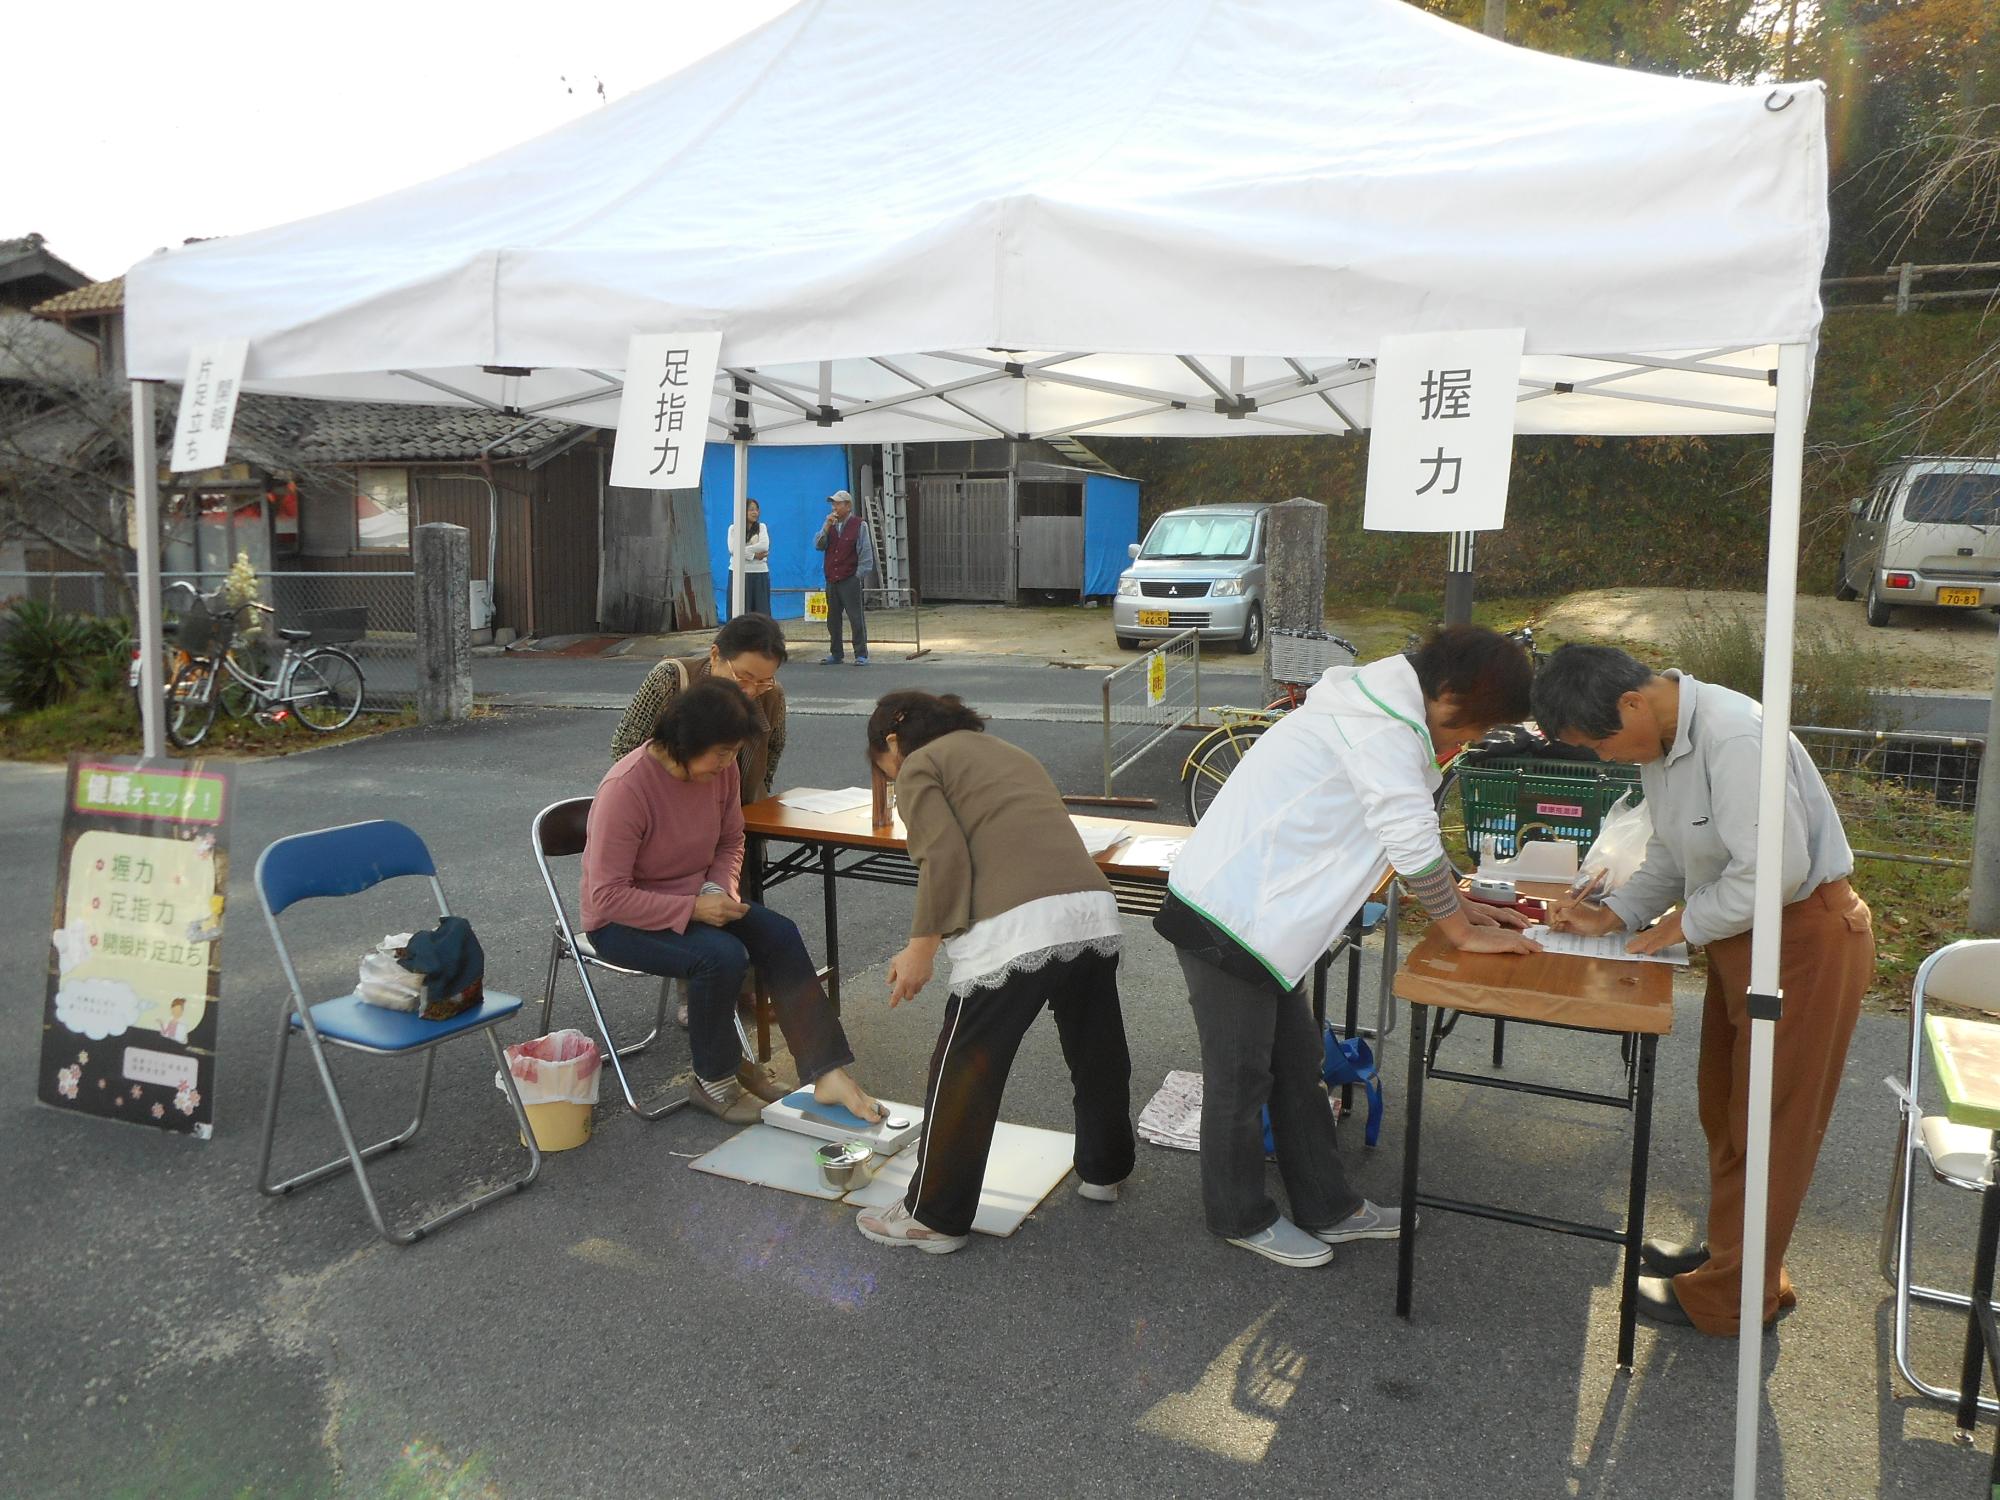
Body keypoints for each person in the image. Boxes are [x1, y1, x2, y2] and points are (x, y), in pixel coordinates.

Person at [1155, 626, 1542, 1269]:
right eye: (1471, 728)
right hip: (1227, 919)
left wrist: (1466, 904)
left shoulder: (1379, 707)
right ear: (1448, 695)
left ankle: (1328, 1206)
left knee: (1299, 1065)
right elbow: (1411, 838)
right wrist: (1461, 928)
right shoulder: (1381, 726)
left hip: (1269, 921)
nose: (1466, 742)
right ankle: (1238, 1215)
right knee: (1241, 1078)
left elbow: (1399, 836)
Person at [1532, 644, 1873, 1335]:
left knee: (1771, 1124)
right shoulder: (1661, 742)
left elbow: (1775, 871)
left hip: (1802, 937)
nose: (1605, 759)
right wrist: (1619, 915)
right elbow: (1669, 851)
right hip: (1743, 936)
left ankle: (1733, 1299)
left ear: (1632, 703)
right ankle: (1734, 1259)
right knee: (1727, 1106)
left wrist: (1680, 926)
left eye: (1600, 743)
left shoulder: (1734, 734)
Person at [855, 691, 1136, 1254]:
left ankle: (933, 1215)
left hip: (1017, 929)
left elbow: (944, 858)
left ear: (892, 741)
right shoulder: (1006, 750)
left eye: (879, 764)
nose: (886, 775)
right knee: (1095, 1046)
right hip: (1090, 909)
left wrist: (920, 951)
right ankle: (1106, 1169)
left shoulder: (918, 765)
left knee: (964, 1068)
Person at [582, 678, 882, 1125]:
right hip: (621, 922)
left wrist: (716, 889)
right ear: (684, 741)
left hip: (696, 900)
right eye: (720, 752)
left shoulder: (721, 772)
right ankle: (714, 1080)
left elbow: (730, 840)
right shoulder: (627, 789)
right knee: (720, 957)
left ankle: (826, 1071)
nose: (727, 763)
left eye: (731, 753)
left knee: (778, 933)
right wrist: (692, 909)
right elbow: (606, 895)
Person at [813, 489, 873, 665]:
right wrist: (826, 527)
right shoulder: (830, 525)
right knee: (833, 619)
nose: (834, 507)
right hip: (832, 578)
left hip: (849, 578)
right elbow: (818, 545)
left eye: (838, 504)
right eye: (833, 504)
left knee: (855, 617)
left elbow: (865, 553)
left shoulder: (859, 525)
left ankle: (861, 653)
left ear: (848, 506)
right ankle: (836, 653)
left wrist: (858, 575)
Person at [725, 498, 772, 619]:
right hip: (738, 573)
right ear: (742, 511)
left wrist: (742, 551)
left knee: (761, 613)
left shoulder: (762, 527)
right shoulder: (733, 528)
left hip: (759, 573)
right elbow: (733, 549)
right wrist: (754, 555)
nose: (755, 512)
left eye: (756, 509)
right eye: (751, 509)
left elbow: (764, 545)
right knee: (739, 612)